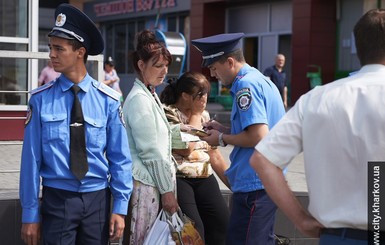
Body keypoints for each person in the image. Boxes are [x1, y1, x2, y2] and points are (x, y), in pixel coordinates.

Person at [250, 8, 385, 245]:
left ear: (359, 48)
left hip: (338, 237)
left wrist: (300, 219)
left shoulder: (317, 98)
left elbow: (263, 160)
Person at [19, 4, 133, 245]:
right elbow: (30, 161)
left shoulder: (108, 101)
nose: (51, 54)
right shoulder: (40, 100)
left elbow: (120, 158)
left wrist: (120, 207)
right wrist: (30, 213)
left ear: (80, 52)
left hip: (98, 201)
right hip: (57, 200)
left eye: (59, 49)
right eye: (51, 48)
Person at [191, 33, 286, 245]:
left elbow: (259, 136)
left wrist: (222, 138)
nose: (213, 75)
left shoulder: (246, 86)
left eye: (214, 68)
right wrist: (223, 128)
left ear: (230, 62)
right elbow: (255, 128)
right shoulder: (261, 80)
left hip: (255, 187)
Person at [122, 29, 179, 245]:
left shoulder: (149, 93)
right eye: (158, 66)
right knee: (146, 240)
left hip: (153, 184)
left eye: (166, 65)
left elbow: (160, 135)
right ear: (141, 65)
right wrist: (167, 192)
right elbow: (151, 153)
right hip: (147, 187)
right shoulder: (139, 99)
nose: (164, 71)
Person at [160, 72, 230, 244]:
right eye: (200, 94)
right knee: (194, 229)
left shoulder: (204, 115)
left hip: (205, 176)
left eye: (206, 93)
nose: (204, 99)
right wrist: (197, 115)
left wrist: (235, 184)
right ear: (184, 95)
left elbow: (214, 154)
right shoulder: (168, 113)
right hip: (181, 178)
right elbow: (185, 149)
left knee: (223, 223)